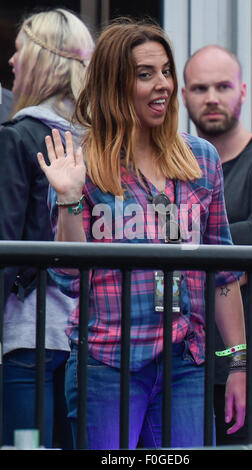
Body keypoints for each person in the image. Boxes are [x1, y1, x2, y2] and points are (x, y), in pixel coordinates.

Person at [37, 19, 246, 450]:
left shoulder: (200, 158)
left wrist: (237, 363)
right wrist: (70, 197)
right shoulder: (79, 160)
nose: (163, 85)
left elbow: (223, 275)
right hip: (106, 363)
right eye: (145, 74)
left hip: (185, 363)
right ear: (114, 82)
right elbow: (68, 277)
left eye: (166, 71)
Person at [182, 44, 252, 445]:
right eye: (200, 88)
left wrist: (185, 250)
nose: (211, 98)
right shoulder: (178, 170)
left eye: (223, 86)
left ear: (243, 91)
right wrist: (227, 264)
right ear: (183, 96)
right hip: (183, 367)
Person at [0, 8, 94, 448]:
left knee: (26, 447)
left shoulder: (18, 136)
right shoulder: (106, 140)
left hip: (29, 334)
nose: (11, 63)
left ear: (42, 61)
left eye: (20, 52)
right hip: (96, 337)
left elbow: (5, 244)